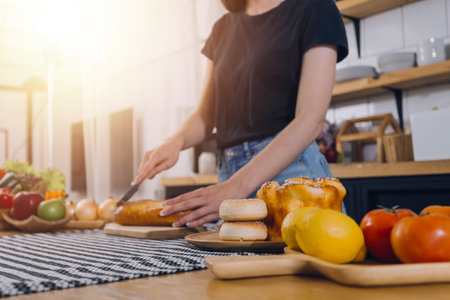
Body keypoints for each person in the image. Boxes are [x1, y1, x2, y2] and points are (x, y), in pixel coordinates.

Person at [132, 0, 348, 227]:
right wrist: (174, 142)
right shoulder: (222, 29)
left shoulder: (316, 8)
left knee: (302, 260)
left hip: (292, 175)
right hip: (229, 174)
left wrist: (235, 187)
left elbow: (311, 120)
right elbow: (205, 117)